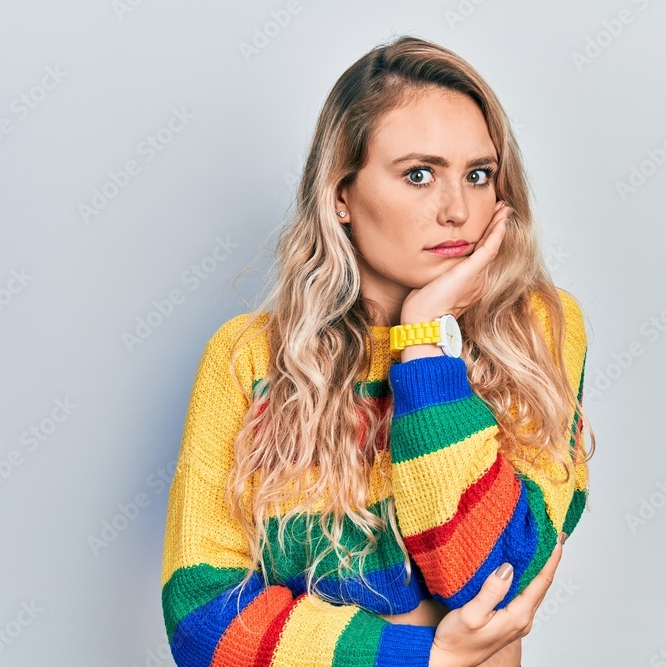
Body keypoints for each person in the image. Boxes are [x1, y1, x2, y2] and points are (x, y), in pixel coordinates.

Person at [160, 34, 594, 667]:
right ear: (341, 195)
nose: (458, 210)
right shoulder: (249, 359)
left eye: (478, 175)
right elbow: (202, 619)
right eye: (419, 175)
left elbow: (491, 579)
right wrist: (426, 656)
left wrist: (425, 340)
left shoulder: (535, 330)